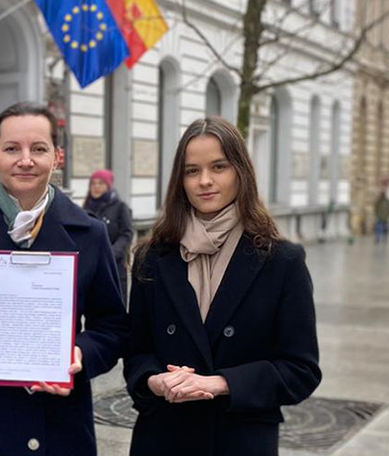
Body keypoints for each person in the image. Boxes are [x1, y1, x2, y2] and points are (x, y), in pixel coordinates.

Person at [0, 102, 129, 456]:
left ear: (57, 157)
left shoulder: (90, 233)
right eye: (12, 148)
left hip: (58, 422)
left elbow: (112, 329)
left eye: (39, 149)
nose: (25, 160)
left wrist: (79, 354)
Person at [123, 117, 321, 456]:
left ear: (240, 171)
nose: (205, 181)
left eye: (219, 166)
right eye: (192, 171)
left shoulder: (281, 260)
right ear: (180, 180)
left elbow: (300, 371)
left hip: (239, 439)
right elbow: (136, 354)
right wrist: (156, 381)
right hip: (164, 437)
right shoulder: (152, 257)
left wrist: (221, 383)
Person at [82, 169, 134, 300]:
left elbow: (127, 233)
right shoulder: (86, 209)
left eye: (100, 183)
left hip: (114, 265)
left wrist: (111, 253)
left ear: (108, 186)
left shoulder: (120, 207)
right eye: (93, 183)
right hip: (92, 266)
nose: (96, 187)